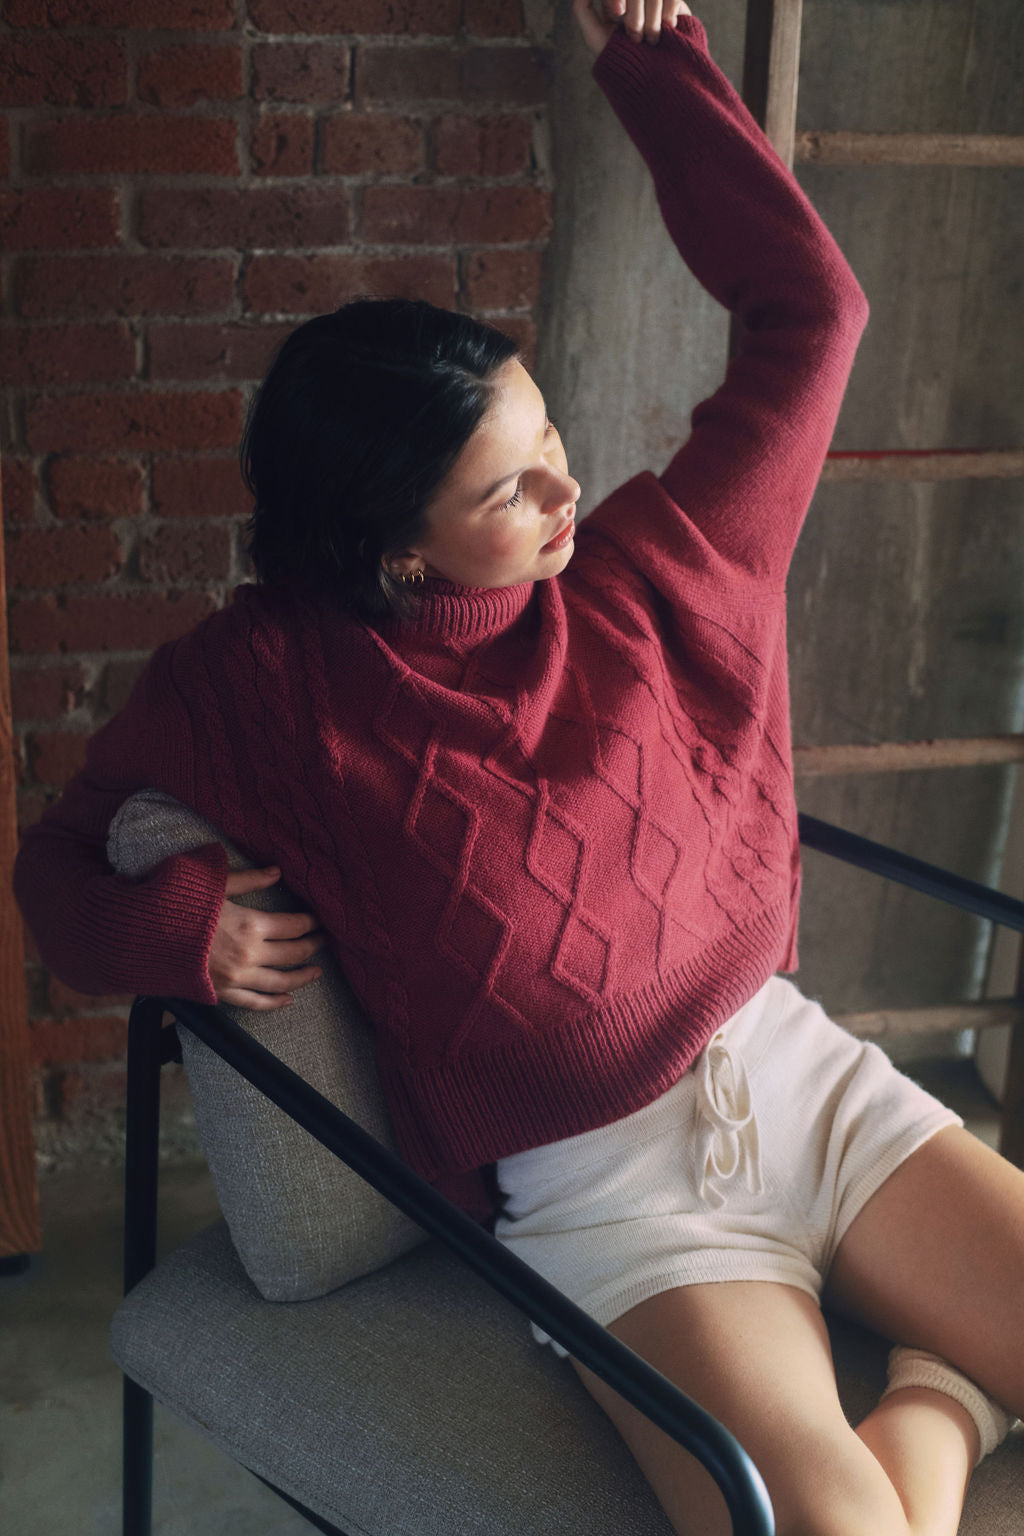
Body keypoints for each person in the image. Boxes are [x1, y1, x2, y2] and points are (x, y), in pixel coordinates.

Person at [13, 2, 1022, 1531]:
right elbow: (54, 869)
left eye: (551, 433)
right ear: (394, 550)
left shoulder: (654, 570)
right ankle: (945, 1398)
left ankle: (943, 1386)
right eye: (511, 484)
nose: (567, 485)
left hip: (803, 1084)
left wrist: (652, 52)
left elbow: (814, 312)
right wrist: (184, 935)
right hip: (614, 1202)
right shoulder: (267, 684)